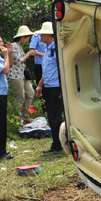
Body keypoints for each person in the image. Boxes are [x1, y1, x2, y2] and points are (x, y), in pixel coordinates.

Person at [34, 22, 63, 153]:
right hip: (49, 86)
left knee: (55, 117)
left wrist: (63, 89)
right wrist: (40, 85)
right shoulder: (47, 49)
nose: (40, 35)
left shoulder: (57, 49)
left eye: (42, 33)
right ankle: (57, 142)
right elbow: (47, 70)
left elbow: (63, 69)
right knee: (52, 116)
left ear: (47, 35)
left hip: (56, 87)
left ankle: (59, 144)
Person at [10, 26, 37, 125]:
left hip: (23, 75)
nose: (28, 40)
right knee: (20, 97)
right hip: (15, 75)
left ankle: (25, 116)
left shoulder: (19, 47)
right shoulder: (13, 46)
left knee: (30, 93)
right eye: (27, 38)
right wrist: (29, 54)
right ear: (23, 37)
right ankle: (16, 119)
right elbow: (19, 60)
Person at [28, 16, 50, 84]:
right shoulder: (37, 35)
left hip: (50, 63)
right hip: (40, 64)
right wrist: (42, 54)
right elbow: (31, 50)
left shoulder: (53, 34)